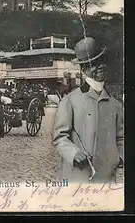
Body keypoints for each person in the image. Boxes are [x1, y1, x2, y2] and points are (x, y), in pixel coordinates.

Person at [53, 37, 124, 183]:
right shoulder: (70, 101)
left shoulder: (115, 104)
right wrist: (73, 153)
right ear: (83, 68)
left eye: (102, 61)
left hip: (107, 179)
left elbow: (121, 137)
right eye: (94, 64)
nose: (100, 67)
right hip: (78, 177)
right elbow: (60, 137)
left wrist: (120, 157)